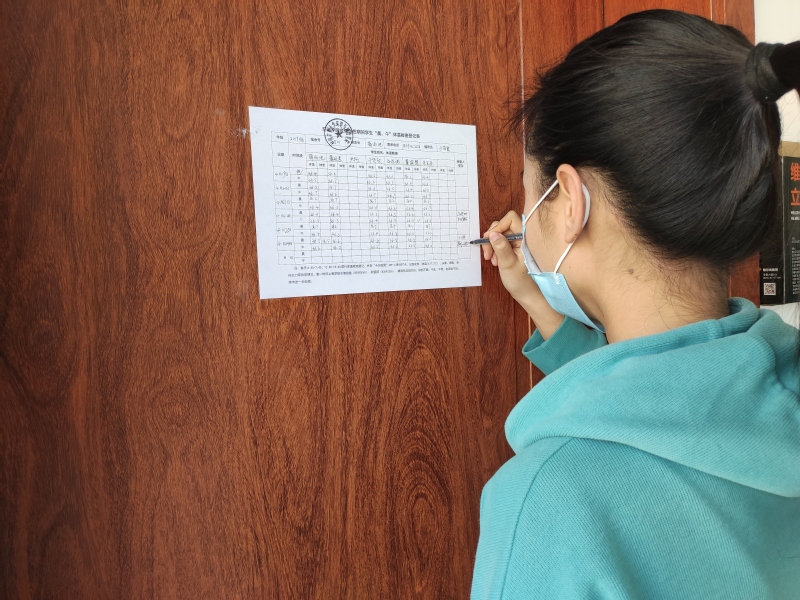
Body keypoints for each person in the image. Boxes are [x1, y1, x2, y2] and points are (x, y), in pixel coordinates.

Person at [472, 9, 800, 599]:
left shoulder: (548, 503)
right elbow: (671, 404)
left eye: (529, 189)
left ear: (569, 201)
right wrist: (540, 304)